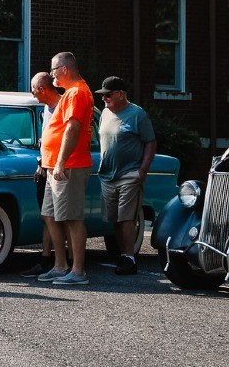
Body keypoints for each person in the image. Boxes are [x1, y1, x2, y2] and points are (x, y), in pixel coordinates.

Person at [38, 51, 94, 286]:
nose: (52, 78)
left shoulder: (78, 92)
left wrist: (60, 161)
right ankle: (60, 266)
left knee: (71, 218)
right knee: (50, 215)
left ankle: (78, 271)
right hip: (54, 165)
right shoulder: (70, 93)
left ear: (64, 69)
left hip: (69, 165)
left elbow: (72, 129)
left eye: (53, 72)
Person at [96, 76, 157, 275]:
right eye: (102, 95)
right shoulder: (105, 113)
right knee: (114, 218)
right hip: (107, 175)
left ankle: (129, 258)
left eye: (108, 95)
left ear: (121, 94)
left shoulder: (137, 114)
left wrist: (142, 170)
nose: (104, 99)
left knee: (126, 218)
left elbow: (150, 142)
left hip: (129, 173)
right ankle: (121, 254)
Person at [21, 71, 61, 278]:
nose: (33, 94)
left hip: (61, 168)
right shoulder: (46, 108)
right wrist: (40, 163)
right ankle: (47, 259)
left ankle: (63, 262)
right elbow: (47, 140)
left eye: (34, 90)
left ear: (43, 89)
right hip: (46, 166)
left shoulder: (63, 107)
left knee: (64, 217)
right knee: (48, 216)